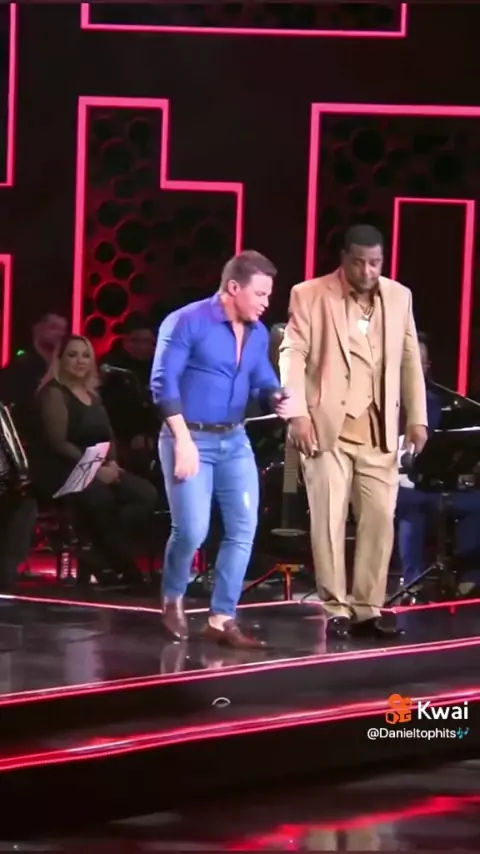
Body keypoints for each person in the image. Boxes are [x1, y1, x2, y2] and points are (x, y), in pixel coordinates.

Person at [279, 224, 428, 639]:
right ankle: (336, 608)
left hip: (379, 431)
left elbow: (410, 359)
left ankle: (367, 609)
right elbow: (292, 353)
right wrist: (296, 413)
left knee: (379, 520)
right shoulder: (309, 294)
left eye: (375, 263)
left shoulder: (399, 296)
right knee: (328, 520)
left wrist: (417, 417)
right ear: (344, 258)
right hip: (326, 429)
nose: (367, 271)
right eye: (359, 262)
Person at [150, 250, 294, 647]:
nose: (266, 303)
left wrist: (276, 397)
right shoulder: (187, 321)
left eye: (269, 295)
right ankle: (173, 596)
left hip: (234, 439)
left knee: (243, 529)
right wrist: (182, 441)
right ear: (233, 287)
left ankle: (222, 618)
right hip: (188, 435)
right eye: (260, 294)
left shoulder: (258, 333)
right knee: (192, 530)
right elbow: (163, 383)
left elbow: (262, 380)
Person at [30, 335, 158, 591]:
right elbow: (59, 443)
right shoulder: (54, 393)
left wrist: (112, 464)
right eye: (72, 355)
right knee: (101, 498)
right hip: (63, 468)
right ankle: (123, 568)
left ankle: (98, 553)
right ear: (60, 360)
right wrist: (95, 470)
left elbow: (108, 437)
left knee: (146, 494)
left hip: (97, 465)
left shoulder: (93, 396)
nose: (80, 361)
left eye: (85, 355)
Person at [396, 333, 480, 598]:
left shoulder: (435, 402)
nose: (414, 368)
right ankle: (412, 582)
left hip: (431, 482)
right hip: (395, 484)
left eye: (419, 362)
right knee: (411, 507)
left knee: (475, 503)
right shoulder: (381, 399)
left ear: (427, 367)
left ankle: (468, 578)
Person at [0, 312, 68, 434]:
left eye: (63, 330)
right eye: (54, 328)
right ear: (37, 329)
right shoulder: (21, 366)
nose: (60, 334)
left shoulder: (66, 365)